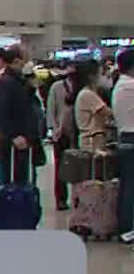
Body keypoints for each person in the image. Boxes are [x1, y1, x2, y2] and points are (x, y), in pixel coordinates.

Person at [0, 46, 42, 195]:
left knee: (24, 179)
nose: (29, 63)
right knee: (14, 181)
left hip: (25, 138)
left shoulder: (20, 80)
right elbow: (1, 111)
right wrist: (14, 135)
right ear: (17, 61)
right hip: (14, 141)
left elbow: (35, 89)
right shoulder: (7, 82)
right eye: (26, 60)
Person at [48, 62, 80, 210]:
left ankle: (78, 198)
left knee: (79, 168)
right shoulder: (57, 87)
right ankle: (60, 199)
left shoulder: (82, 88)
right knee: (60, 168)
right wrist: (54, 129)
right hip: (61, 134)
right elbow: (51, 109)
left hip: (78, 133)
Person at [114, 49, 134, 244]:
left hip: (124, 138)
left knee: (127, 186)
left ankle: (125, 227)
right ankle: (127, 229)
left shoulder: (121, 84)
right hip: (131, 138)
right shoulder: (130, 85)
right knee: (130, 188)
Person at [73, 60, 112, 154]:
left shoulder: (89, 93)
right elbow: (109, 113)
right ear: (91, 76)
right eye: (101, 73)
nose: (104, 77)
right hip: (91, 143)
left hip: (94, 142)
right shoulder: (87, 94)